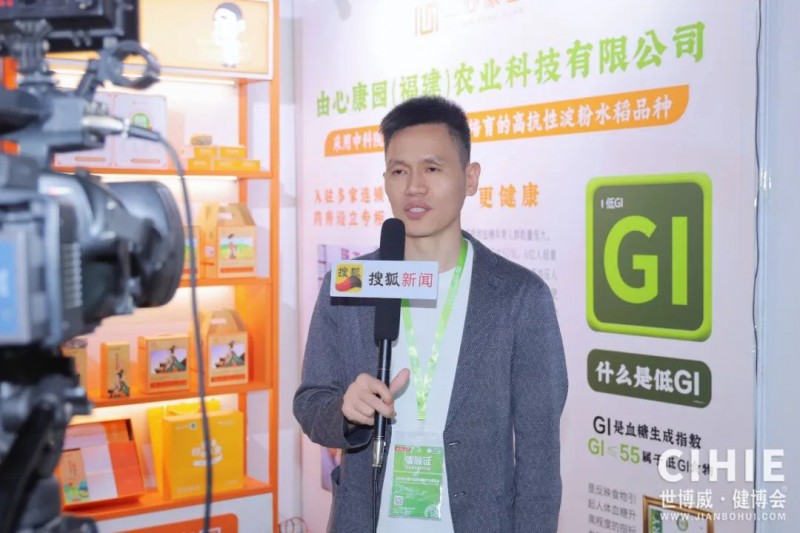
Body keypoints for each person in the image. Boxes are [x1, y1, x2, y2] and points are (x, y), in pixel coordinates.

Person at [294, 96, 568, 532]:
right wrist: (345, 412)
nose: (414, 187)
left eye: (433, 169)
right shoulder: (350, 284)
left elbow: (540, 459)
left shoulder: (520, 297)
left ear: (470, 178)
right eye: (399, 171)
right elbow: (310, 403)